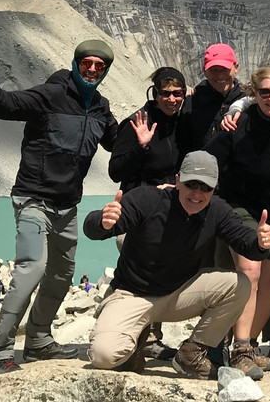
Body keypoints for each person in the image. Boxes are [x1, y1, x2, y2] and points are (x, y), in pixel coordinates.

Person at [0, 39, 119, 376]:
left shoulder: (100, 106)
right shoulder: (50, 94)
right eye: (87, 63)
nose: (93, 69)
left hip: (67, 205)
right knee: (31, 268)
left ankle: (38, 339)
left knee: (61, 273)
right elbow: (5, 105)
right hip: (33, 199)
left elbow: (117, 142)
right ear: (76, 62)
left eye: (100, 66)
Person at [83, 152, 270, 379]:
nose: (197, 193)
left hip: (178, 296)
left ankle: (191, 354)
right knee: (104, 356)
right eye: (191, 184)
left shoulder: (217, 210)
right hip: (131, 294)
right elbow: (94, 228)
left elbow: (247, 244)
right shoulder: (147, 199)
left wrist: (261, 243)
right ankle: (136, 344)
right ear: (177, 180)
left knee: (239, 283)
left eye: (205, 187)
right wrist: (102, 221)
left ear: (214, 189)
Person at [205, 66, 270, 378]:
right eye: (265, 92)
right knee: (249, 271)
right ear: (253, 93)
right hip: (241, 207)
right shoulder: (237, 123)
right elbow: (208, 160)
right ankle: (241, 347)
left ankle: (249, 345)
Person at [109, 67, 190, 362]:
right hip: (136, 212)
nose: (171, 99)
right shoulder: (135, 123)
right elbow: (115, 170)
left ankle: (151, 339)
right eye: (165, 93)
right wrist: (141, 147)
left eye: (177, 93)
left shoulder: (183, 124)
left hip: (169, 211)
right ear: (154, 94)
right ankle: (124, 336)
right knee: (136, 277)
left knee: (159, 274)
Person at [185, 44, 245, 153]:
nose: (220, 75)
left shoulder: (249, 102)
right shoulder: (192, 102)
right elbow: (183, 143)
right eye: (213, 70)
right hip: (201, 168)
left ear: (236, 68)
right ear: (205, 71)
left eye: (224, 69)